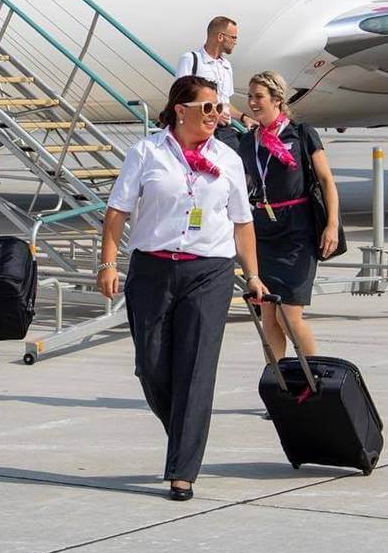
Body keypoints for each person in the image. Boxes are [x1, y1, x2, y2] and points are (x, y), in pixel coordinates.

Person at [97, 75, 268, 502]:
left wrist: (253, 275)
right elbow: (117, 211)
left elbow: (242, 223)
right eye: (207, 108)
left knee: (195, 370)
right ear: (181, 110)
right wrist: (107, 262)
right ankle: (184, 432)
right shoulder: (147, 152)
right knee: (151, 365)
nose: (216, 115)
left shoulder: (228, 158)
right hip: (152, 270)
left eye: (219, 108)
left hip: (209, 271)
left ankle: (182, 470)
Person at [239, 71, 339, 363]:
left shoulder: (301, 134)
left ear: (277, 100)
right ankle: (279, 381)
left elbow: (326, 180)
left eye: (259, 97)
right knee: (268, 315)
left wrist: (331, 224)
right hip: (264, 230)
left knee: (289, 316)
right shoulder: (249, 142)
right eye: (250, 97)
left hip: (297, 229)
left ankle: (314, 379)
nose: (252, 102)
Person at [175, 16, 254, 147]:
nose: (235, 42)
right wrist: (214, 112)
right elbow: (180, 98)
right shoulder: (191, 59)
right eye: (233, 37)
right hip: (200, 130)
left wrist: (243, 117)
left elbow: (226, 104)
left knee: (238, 163)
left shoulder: (226, 65)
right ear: (220, 37)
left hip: (224, 132)